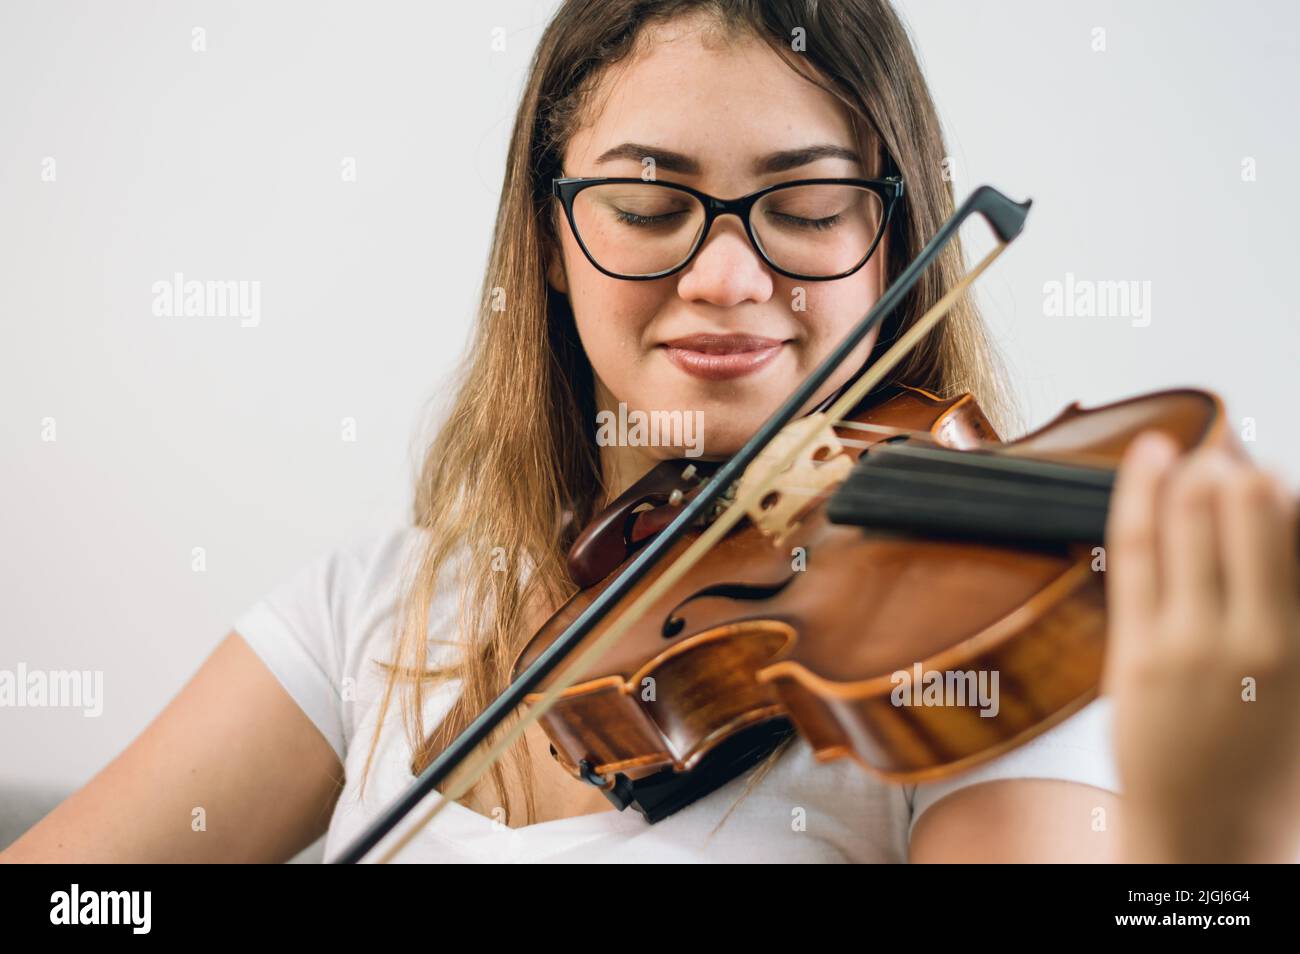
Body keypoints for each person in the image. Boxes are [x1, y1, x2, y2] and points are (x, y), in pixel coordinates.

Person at [5, 0, 1298, 864]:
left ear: (891, 243)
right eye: (645, 199)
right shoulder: (381, 610)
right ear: (550, 247)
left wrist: (1238, 820)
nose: (729, 277)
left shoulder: (978, 666)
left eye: (803, 203)